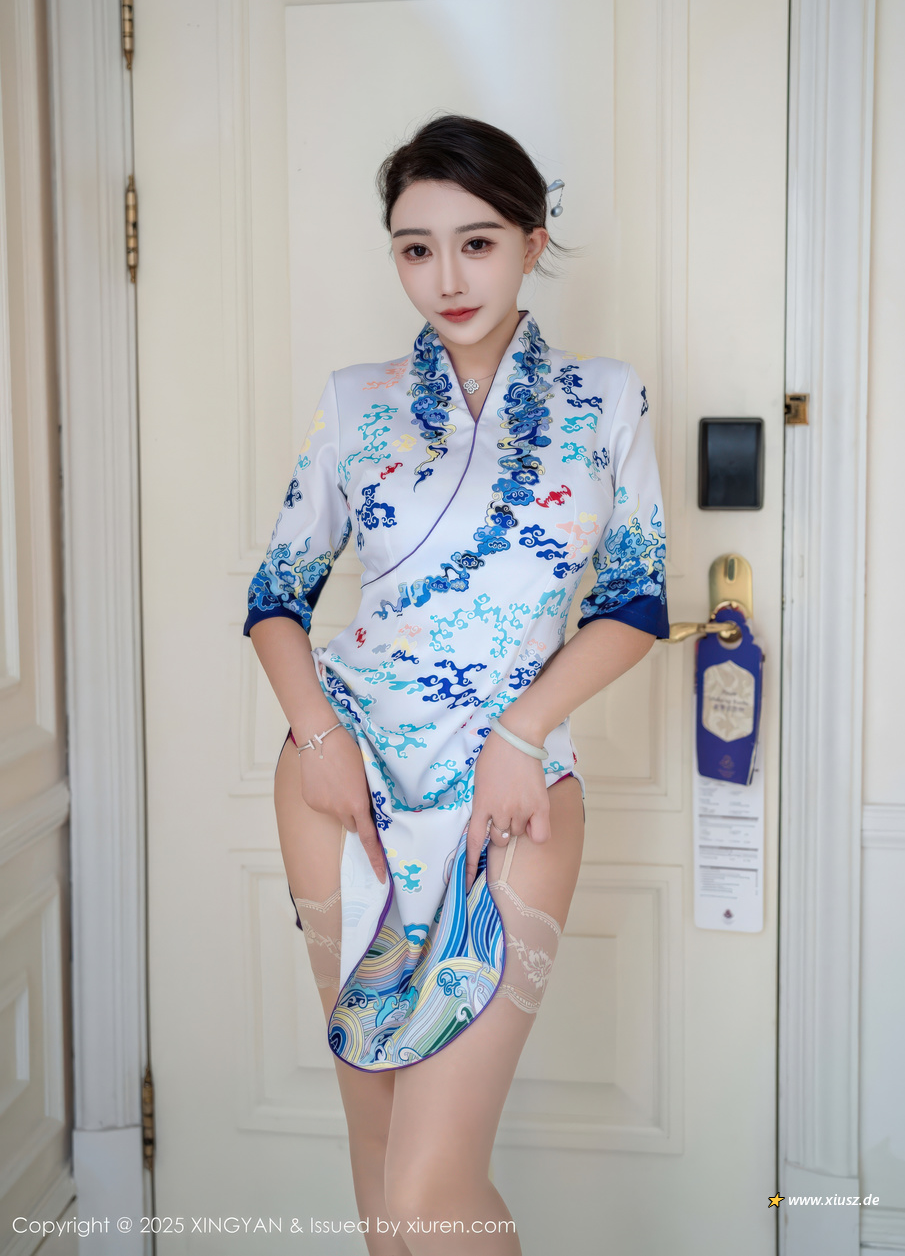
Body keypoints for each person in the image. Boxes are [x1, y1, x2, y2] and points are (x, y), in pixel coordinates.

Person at [245, 114, 669, 1255]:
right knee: (380, 1155)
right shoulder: (356, 401)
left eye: (476, 243)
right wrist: (317, 740)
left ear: (532, 241)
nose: (446, 277)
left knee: (432, 1184)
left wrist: (522, 734)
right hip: (342, 782)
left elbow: (636, 602)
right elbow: (276, 597)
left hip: (514, 789)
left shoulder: (604, 398)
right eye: (415, 248)